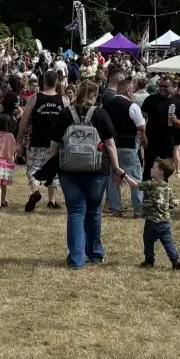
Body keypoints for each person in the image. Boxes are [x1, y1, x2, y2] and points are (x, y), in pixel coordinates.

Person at [50, 80, 124, 269]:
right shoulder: (100, 114)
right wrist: (116, 168)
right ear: (93, 95)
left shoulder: (66, 114)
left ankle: (76, 258)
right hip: (97, 170)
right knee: (94, 211)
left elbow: (54, 144)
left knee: (75, 212)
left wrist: (51, 166)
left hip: (69, 170)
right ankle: (95, 253)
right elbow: (110, 144)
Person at [120, 159, 180, 270]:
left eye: (154, 167)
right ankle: (175, 261)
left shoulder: (150, 184)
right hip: (165, 222)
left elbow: (135, 185)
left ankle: (149, 260)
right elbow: (172, 201)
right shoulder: (167, 187)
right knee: (168, 243)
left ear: (161, 172)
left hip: (151, 222)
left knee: (148, 241)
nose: (150, 169)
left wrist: (124, 175)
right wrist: (174, 202)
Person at [19, 70, 66, 212]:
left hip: (38, 140)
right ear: (57, 82)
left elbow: (24, 120)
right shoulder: (64, 100)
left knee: (34, 168)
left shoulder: (34, 98)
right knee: (54, 169)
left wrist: (19, 138)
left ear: (43, 82)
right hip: (57, 142)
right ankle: (52, 200)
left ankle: (35, 191)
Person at [103, 78, 148, 218]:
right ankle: (138, 209)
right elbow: (141, 126)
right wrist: (144, 138)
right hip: (128, 145)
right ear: (128, 91)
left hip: (110, 147)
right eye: (132, 91)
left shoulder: (105, 106)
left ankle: (116, 209)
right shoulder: (132, 106)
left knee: (113, 178)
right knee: (135, 177)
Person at [140, 77, 180, 175]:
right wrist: (142, 135)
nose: (162, 88)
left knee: (164, 170)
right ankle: (146, 189)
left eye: (165, 87)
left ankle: (162, 189)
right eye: (160, 86)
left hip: (167, 140)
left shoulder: (177, 103)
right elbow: (142, 118)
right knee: (148, 168)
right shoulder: (151, 99)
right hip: (151, 139)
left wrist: (176, 121)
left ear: (173, 87)